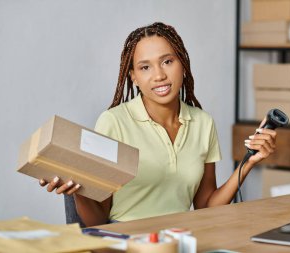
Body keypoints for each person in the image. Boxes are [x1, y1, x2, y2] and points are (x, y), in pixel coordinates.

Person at [39, 22, 277, 226]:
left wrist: (248, 162)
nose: (159, 75)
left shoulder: (203, 123)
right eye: (145, 67)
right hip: (127, 241)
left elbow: (205, 206)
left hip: (181, 238)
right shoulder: (114, 122)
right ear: (133, 76)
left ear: (182, 65)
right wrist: (78, 192)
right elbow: (98, 222)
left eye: (167, 61)